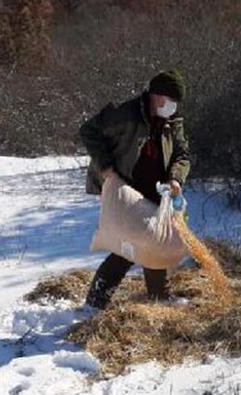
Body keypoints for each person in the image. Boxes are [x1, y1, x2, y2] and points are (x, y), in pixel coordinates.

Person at [79, 68, 191, 309]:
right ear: (156, 96)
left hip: (157, 188)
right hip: (126, 187)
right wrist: (105, 166)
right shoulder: (126, 114)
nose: (173, 106)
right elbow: (89, 131)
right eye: (170, 100)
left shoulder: (173, 121)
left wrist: (176, 179)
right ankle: (96, 301)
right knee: (128, 245)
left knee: (157, 240)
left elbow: (182, 154)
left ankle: (159, 297)